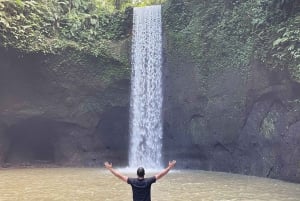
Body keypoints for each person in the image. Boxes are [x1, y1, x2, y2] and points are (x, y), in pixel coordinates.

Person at [104, 160, 176, 201]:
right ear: (144, 174)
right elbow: (160, 175)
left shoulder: (132, 181)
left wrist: (110, 169)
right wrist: (169, 167)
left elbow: (120, 176)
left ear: (137, 174)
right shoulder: (148, 181)